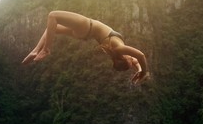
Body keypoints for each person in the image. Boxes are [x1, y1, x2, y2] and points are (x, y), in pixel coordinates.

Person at [22, 11, 150, 84]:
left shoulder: (119, 49)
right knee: (52, 28)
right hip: (84, 34)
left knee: (53, 16)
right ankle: (35, 50)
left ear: (124, 59)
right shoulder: (117, 55)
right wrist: (139, 70)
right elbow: (136, 61)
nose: (132, 58)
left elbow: (141, 56)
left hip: (87, 26)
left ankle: (45, 49)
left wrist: (143, 72)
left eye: (130, 60)